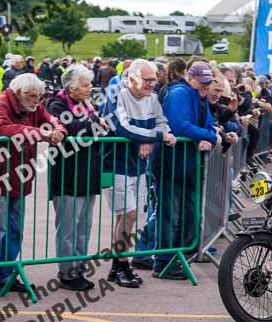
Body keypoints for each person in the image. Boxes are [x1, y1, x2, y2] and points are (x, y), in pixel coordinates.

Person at [0, 74, 67, 295]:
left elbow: (52, 120)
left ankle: (7, 274)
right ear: (18, 93)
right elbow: (1, 128)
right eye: (31, 96)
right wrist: (41, 134)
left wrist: (59, 131)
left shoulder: (35, 106)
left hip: (20, 176)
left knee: (15, 230)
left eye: (38, 96)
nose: (36, 100)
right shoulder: (1, 102)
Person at [106, 59, 175, 287]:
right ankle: (122, 265)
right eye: (147, 80)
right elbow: (121, 127)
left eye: (154, 79)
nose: (152, 84)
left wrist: (150, 137)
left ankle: (118, 266)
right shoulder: (117, 94)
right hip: (116, 164)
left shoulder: (152, 98)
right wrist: (152, 137)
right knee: (129, 215)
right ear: (133, 78)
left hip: (139, 166)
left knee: (127, 217)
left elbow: (163, 123)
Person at [46, 65, 107, 291]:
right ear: (71, 88)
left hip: (88, 173)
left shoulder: (88, 105)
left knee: (85, 226)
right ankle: (67, 272)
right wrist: (94, 125)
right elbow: (71, 127)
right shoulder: (57, 104)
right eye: (85, 84)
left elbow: (101, 128)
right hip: (67, 175)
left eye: (90, 83)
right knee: (68, 228)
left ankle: (79, 267)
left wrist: (95, 124)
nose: (90, 88)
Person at [155, 62, 217, 279]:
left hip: (189, 166)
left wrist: (207, 137)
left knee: (189, 215)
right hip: (171, 164)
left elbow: (209, 123)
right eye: (203, 82)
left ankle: (177, 258)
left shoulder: (200, 96)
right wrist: (208, 136)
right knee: (169, 216)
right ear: (190, 78)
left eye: (209, 82)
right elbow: (179, 125)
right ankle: (163, 262)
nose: (207, 86)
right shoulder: (180, 93)